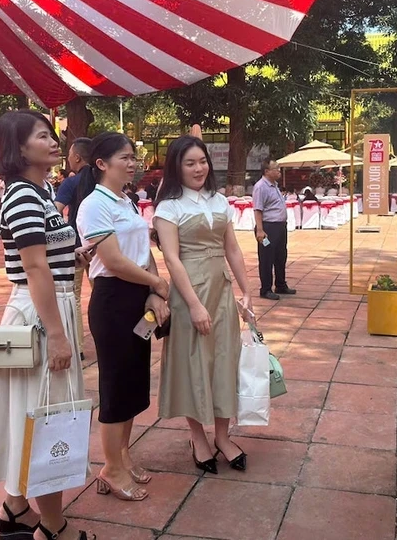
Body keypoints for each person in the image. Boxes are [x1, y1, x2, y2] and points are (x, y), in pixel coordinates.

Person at [0, 110, 95, 540]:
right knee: (48, 416)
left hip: (46, 309)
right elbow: (34, 268)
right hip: (42, 317)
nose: (54, 141)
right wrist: (58, 335)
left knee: (32, 409)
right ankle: (53, 527)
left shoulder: (37, 192)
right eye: (43, 136)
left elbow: (47, 257)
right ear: (19, 148)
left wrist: (73, 255)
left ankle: (14, 508)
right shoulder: (23, 195)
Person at [76, 132, 170, 502]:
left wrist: (151, 289)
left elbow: (140, 251)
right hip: (113, 300)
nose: (133, 163)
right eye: (125, 157)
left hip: (137, 298)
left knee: (134, 382)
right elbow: (113, 261)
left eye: (134, 157)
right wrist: (158, 283)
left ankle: (124, 456)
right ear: (101, 164)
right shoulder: (93, 205)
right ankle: (110, 467)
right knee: (115, 387)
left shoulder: (125, 201)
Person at [154, 135, 253, 475]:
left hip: (221, 289)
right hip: (189, 292)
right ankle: (198, 436)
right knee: (194, 362)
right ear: (176, 167)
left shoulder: (219, 201)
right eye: (189, 163)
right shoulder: (169, 207)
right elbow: (171, 258)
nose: (199, 168)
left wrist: (246, 291)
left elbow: (234, 249)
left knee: (225, 359)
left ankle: (223, 437)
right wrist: (194, 305)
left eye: (202, 161)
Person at [55, 137, 91, 361]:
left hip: (77, 247)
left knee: (75, 297)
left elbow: (56, 210)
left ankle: (78, 346)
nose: (68, 157)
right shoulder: (103, 180)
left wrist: (64, 236)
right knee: (103, 293)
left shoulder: (71, 183)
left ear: (77, 157)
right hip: (102, 248)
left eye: (69, 153)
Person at [253, 159, 296, 300]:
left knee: (280, 256)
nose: (279, 170)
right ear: (267, 171)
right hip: (267, 228)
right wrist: (260, 230)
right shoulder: (261, 187)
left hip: (280, 227)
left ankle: (281, 285)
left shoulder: (274, 185)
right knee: (266, 258)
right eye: (275, 168)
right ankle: (265, 289)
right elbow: (258, 209)